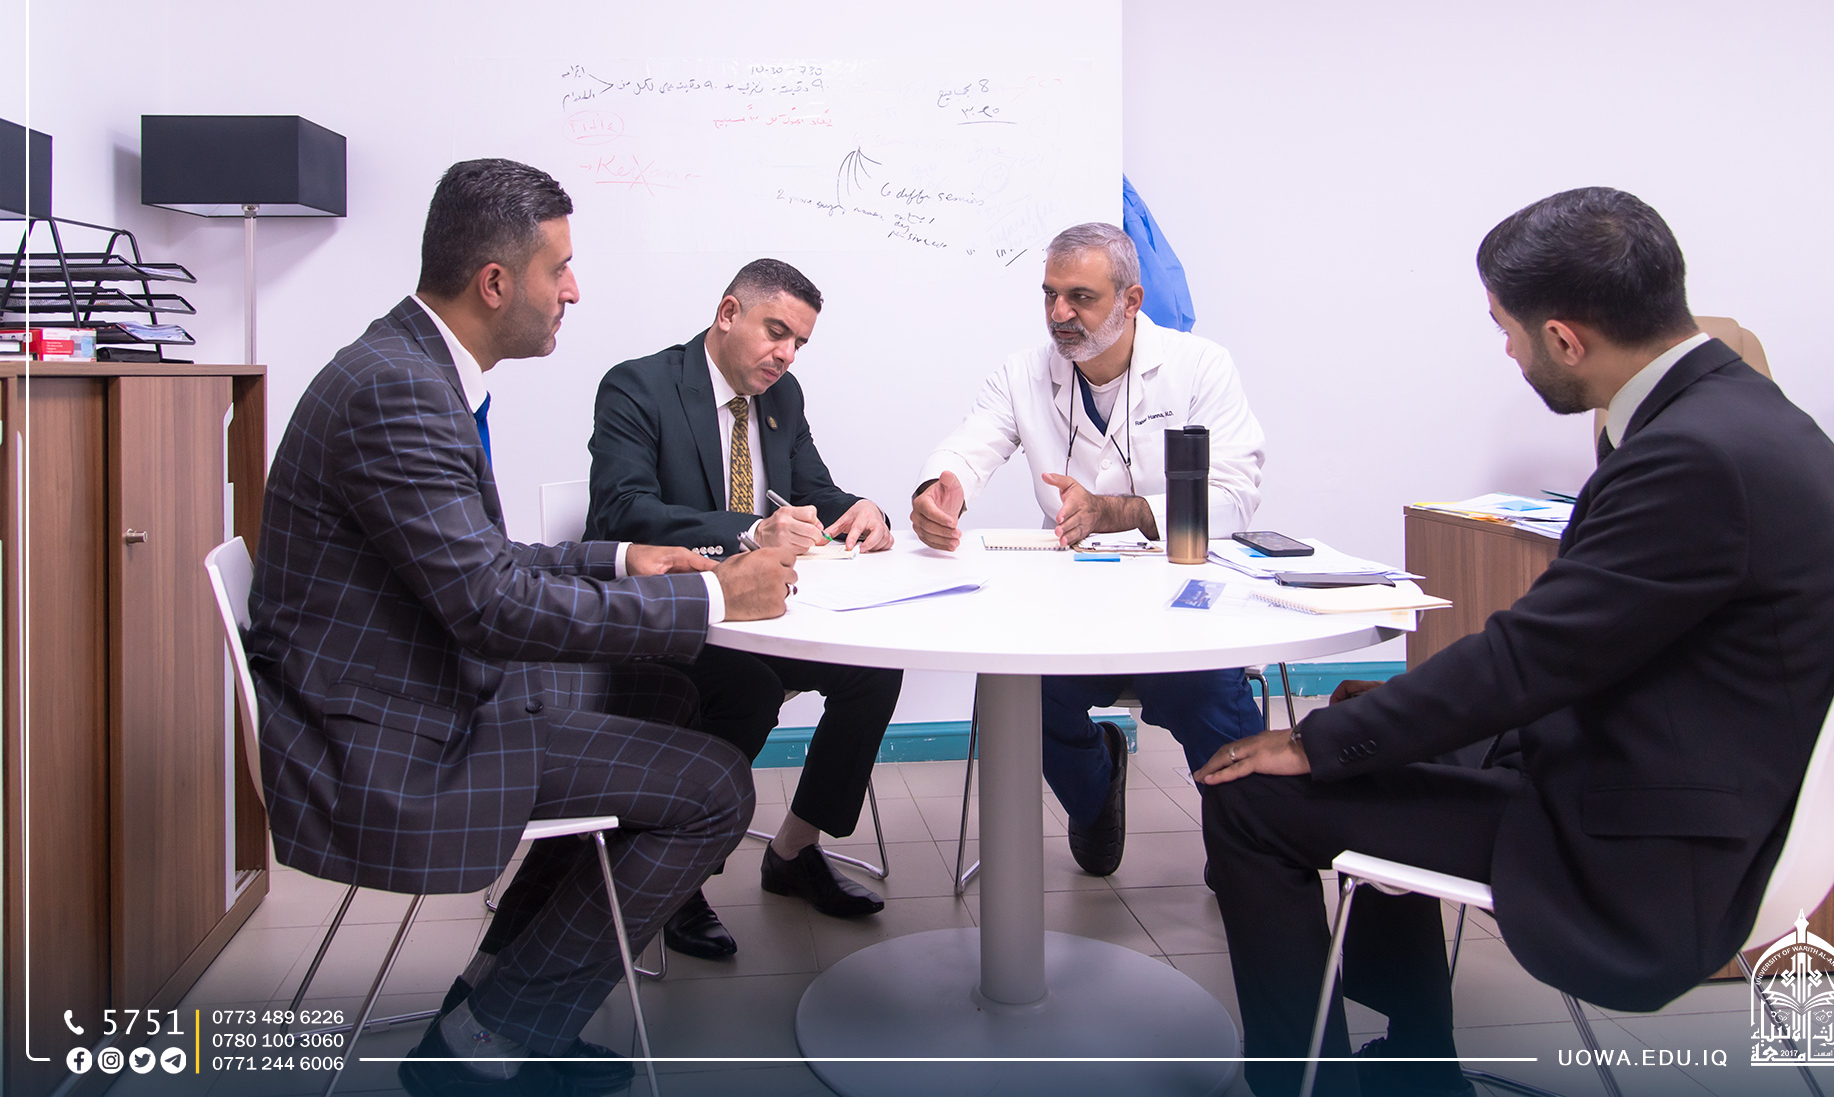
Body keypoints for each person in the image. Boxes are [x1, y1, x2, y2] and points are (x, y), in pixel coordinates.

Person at [1195, 187, 1834, 1097]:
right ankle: (1416, 1066)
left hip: (1651, 847)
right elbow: (1580, 647)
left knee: (1254, 799)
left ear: (1564, 338)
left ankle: (1301, 1087)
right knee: (1377, 734)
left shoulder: (1691, 459)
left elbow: (1530, 659)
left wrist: (1316, 743)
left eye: (1506, 330)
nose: (1508, 353)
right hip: (1693, 769)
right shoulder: (1745, 414)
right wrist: (1377, 725)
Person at [248, 158, 798, 1097]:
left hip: (399, 690)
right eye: (560, 269)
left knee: (668, 695)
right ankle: (494, 1041)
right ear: (496, 283)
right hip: (386, 744)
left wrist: (621, 559)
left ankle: (491, 995)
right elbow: (490, 606)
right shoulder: (398, 390)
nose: (573, 290)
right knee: (715, 788)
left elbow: (480, 561)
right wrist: (717, 599)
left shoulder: (408, 366)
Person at [911, 221, 1266, 876]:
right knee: (1021, 696)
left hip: (1177, 604)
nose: (1059, 314)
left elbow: (1234, 497)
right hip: (1070, 606)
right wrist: (942, 489)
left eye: (1081, 297)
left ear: (1131, 301)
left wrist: (1119, 511)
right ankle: (1096, 790)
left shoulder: (1199, 367)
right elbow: (971, 446)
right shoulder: (1023, 374)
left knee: (1212, 703)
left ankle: (1249, 849)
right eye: (1050, 294)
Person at [585, 258, 903, 957]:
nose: (786, 355)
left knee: (876, 668)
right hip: (673, 619)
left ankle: (793, 851)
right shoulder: (638, 386)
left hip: (761, 615)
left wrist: (864, 509)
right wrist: (750, 532)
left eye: (799, 343)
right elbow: (621, 511)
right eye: (776, 332)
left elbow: (812, 490)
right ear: (728, 313)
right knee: (750, 689)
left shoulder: (782, 396)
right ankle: (673, 873)